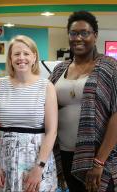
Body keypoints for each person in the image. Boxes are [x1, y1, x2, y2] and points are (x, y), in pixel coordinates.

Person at [49, 11, 117, 192]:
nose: (78, 38)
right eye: (73, 33)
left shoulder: (109, 67)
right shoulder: (59, 70)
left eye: (84, 33)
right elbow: (47, 107)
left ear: (95, 36)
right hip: (64, 153)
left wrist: (99, 161)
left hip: (96, 156)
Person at [0, 35, 58, 192]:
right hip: (2, 160)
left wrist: (39, 167)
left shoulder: (46, 87)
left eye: (26, 53)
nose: (21, 58)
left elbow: (52, 131)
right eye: (16, 54)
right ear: (10, 58)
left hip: (36, 159)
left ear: (34, 57)